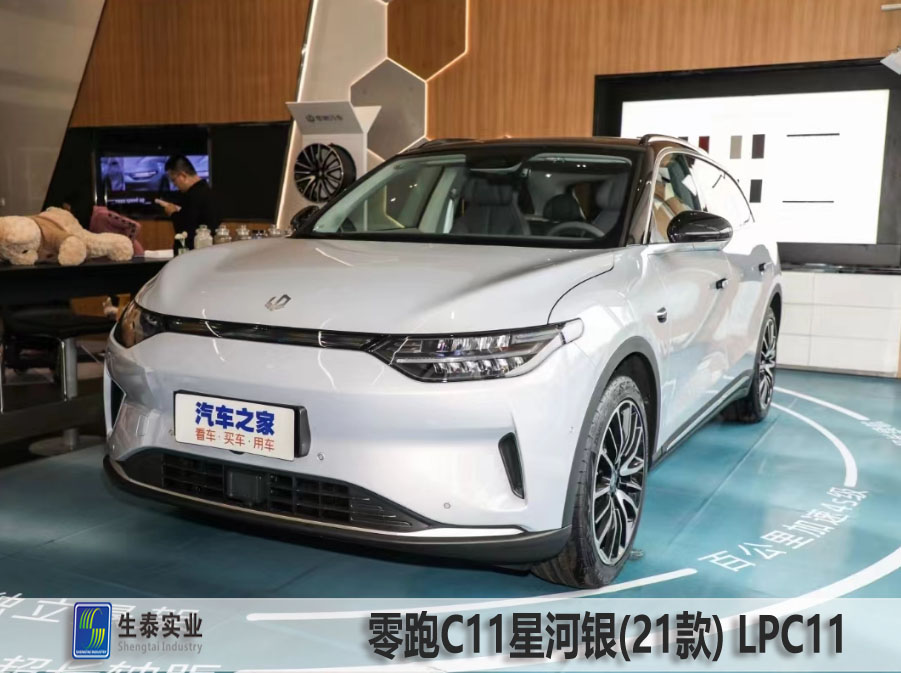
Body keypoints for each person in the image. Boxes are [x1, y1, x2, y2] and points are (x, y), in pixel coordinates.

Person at [158, 155, 220, 249]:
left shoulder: (193, 196)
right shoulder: (208, 191)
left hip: (193, 253)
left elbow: (185, 231)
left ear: (183, 175)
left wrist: (173, 213)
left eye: (174, 180)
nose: (174, 185)